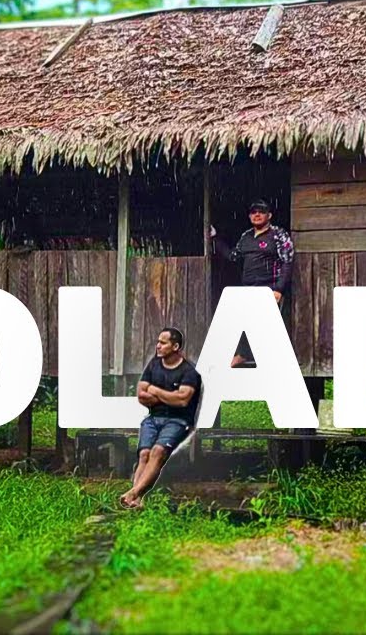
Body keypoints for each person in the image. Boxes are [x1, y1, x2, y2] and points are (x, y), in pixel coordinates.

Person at [120, 327, 203, 509]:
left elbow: (182, 400)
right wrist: (169, 396)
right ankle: (136, 500)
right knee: (144, 454)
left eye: (163, 343)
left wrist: (155, 391)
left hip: (178, 420)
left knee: (158, 452)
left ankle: (133, 493)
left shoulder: (189, 372)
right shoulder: (154, 365)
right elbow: (141, 395)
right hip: (153, 417)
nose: (158, 346)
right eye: (158, 342)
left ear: (175, 346)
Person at [208, 198, 295, 366]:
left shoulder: (278, 234)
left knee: (267, 325)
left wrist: (279, 289)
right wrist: (215, 238)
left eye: (261, 212)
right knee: (246, 322)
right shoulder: (246, 236)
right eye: (254, 212)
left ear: (269, 215)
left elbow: (287, 261)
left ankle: (268, 360)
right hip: (248, 288)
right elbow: (233, 256)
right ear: (249, 216)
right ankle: (243, 354)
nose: (257, 215)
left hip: (269, 288)